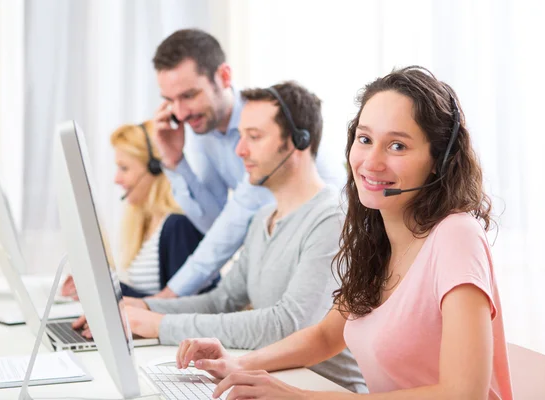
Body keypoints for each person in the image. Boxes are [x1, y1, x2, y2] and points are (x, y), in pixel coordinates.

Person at [175, 67, 514, 399]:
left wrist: (298, 397)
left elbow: (463, 393)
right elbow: (325, 337)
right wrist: (237, 363)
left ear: (438, 160)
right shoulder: (377, 238)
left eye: (397, 146)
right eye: (365, 139)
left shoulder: (456, 236)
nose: (371, 161)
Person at [74, 81, 367, 393]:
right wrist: (145, 309)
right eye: (240, 136)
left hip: (324, 390)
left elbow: (288, 324)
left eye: (254, 137)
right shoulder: (261, 220)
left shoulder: (332, 219)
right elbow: (223, 300)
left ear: (299, 141)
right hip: (275, 382)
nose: (240, 150)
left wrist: (161, 326)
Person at [149, 28, 346, 297]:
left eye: (189, 95)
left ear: (224, 77)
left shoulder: (268, 123)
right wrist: (175, 163)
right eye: (170, 101)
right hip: (280, 255)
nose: (180, 113)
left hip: (334, 254)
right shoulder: (203, 131)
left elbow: (234, 221)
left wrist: (161, 300)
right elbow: (214, 225)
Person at [61, 121, 216, 298]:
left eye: (124, 168)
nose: (117, 179)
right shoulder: (147, 222)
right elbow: (153, 299)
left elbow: (176, 308)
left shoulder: (179, 225)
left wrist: (106, 287)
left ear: (155, 168)